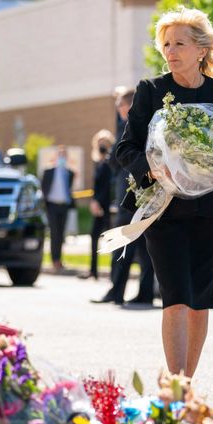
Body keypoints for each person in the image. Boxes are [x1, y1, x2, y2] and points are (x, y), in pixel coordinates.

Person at [114, 6, 213, 378]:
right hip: (165, 211)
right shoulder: (152, 90)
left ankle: (187, 384)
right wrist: (150, 168)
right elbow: (126, 148)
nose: (171, 51)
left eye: (179, 43)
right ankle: (177, 391)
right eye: (166, 44)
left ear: (202, 50)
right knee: (176, 298)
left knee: (201, 302)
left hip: (212, 213)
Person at [94, 89, 156, 305]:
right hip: (139, 193)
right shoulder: (145, 125)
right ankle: (142, 292)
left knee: (123, 242)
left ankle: (118, 290)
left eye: (120, 105)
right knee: (142, 246)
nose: (119, 110)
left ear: (126, 106)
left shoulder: (129, 126)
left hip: (131, 195)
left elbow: (117, 159)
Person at [79, 130, 115, 279]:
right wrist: (94, 201)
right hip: (98, 206)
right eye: (100, 143)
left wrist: (98, 202)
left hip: (107, 206)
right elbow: (97, 186)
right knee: (94, 237)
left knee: (113, 239)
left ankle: (115, 273)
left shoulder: (109, 163)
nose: (102, 145)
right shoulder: (98, 163)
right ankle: (93, 271)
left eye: (105, 143)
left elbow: (107, 186)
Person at [40, 146, 75, 272]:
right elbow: (43, 189)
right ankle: (54, 260)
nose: (62, 158)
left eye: (64, 155)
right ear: (56, 157)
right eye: (60, 155)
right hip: (52, 206)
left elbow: (69, 190)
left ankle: (59, 260)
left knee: (61, 235)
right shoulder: (48, 172)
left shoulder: (70, 173)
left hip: (64, 206)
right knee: (54, 234)